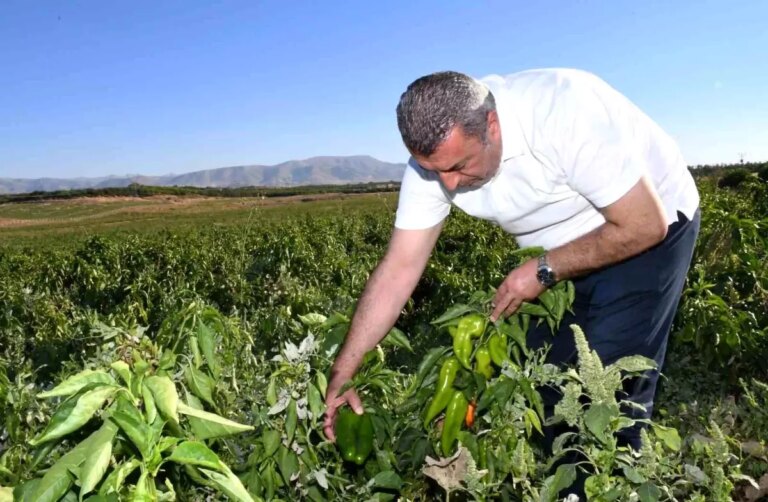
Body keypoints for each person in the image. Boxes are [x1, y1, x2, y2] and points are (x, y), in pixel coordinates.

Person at [322, 68, 700, 452]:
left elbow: (644, 225)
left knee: (607, 390)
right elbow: (399, 269)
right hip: (555, 248)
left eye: (457, 167)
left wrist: (544, 270)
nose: (447, 184)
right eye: (434, 171)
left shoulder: (562, 111)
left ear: (492, 125)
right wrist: (344, 371)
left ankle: (607, 478)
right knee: (544, 378)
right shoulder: (434, 166)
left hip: (647, 228)